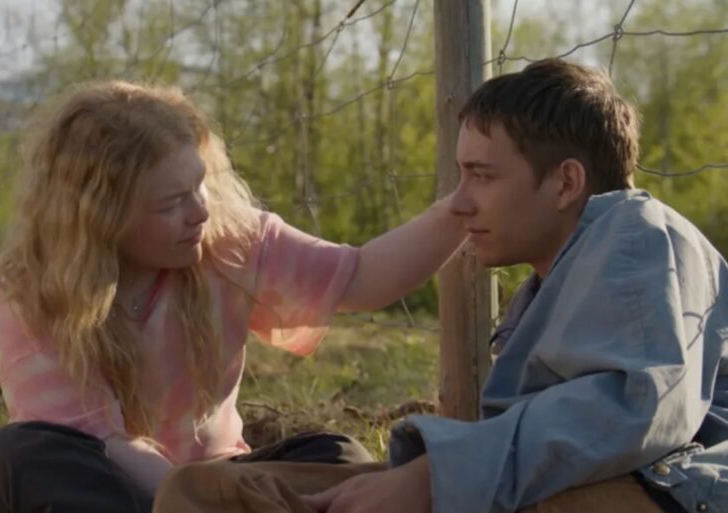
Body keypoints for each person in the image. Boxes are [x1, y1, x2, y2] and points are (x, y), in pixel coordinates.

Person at [0, 80, 467, 513]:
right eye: (171, 203)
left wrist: (460, 210)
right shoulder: (38, 287)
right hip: (113, 489)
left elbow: (363, 277)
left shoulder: (228, 241)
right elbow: (105, 442)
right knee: (16, 455)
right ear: (102, 218)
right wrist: (195, 500)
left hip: (222, 482)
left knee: (336, 454)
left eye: (199, 185)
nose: (200, 210)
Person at [305, 59, 728, 513]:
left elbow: (634, 409)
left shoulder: (637, 237)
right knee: (302, 485)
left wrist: (436, 477)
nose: (458, 204)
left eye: (481, 176)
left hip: (684, 489)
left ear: (566, 182)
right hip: (645, 482)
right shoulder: (561, 277)